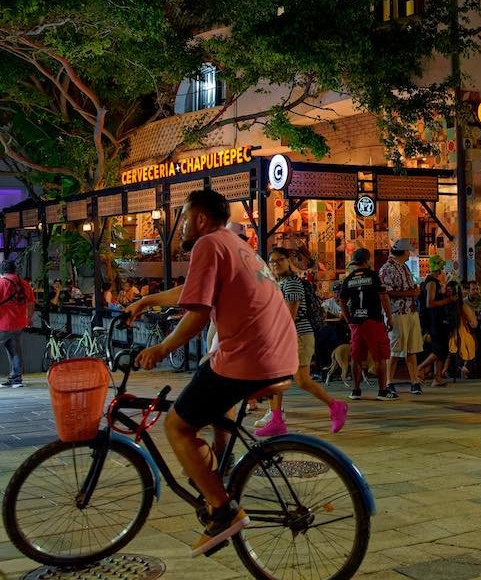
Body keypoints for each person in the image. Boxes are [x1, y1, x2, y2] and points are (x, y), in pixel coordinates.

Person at [130, 189, 300, 555]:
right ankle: (215, 475)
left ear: (201, 219)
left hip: (248, 357)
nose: (181, 228)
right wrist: (148, 299)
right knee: (206, 397)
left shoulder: (207, 245)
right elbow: (191, 290)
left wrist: (162, 348)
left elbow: (199, 313)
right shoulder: (234, 244)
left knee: (176, 425)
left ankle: (223, 511)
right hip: (276, 354)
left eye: (185, 218)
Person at [254, 247, 348, 438]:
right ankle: (277, 420)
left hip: (297, 336)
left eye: (279, 260)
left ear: (289, 260)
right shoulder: (278, 283)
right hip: (286, 336)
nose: (275, 264)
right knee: (278, 379)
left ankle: (336, 406)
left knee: (301, 380)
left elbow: (290, 316)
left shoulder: (292, 284)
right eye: (272, 261)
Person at [339, 248, 395, 400]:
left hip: (356, 322)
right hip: (373, 320)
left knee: (356, 357)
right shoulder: (374, 276)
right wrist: (389, 317)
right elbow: (384, 298)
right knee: (380, 356)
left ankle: (355, 390)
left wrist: (348, 318)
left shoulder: (349, 279)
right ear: (367, 261)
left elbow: (342, 300)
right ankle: (382, 391)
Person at [379, 238, 423, 395]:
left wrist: (413, 291)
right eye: (408, 251)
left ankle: (414, 381)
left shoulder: (403, 267)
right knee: (395, 349)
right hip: (397, 313)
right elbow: (386, 292)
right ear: (404, 252)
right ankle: (389, 382)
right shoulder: (387, 269)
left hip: (410, 311)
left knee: (412, 348)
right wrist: (410, 293)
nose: (409, 254)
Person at [416, 255, 456, 386]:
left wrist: (444, 295)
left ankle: (437, 377)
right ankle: (420, 368)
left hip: (436, 320)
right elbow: (430, 303)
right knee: (439, 349)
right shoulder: (432, 282)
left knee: (442, 349)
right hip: (434, 321)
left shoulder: (432, 282)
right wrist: (448, 300)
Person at [0, 261, 35, 388]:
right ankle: (16, 379)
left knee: (14, 350)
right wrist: (29, 318)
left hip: (3, 324)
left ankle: (15, 378)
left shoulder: (2, 283)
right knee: (15, 351)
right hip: (19, 323)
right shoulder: (24, 284)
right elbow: (31, 303)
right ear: (15, 270)